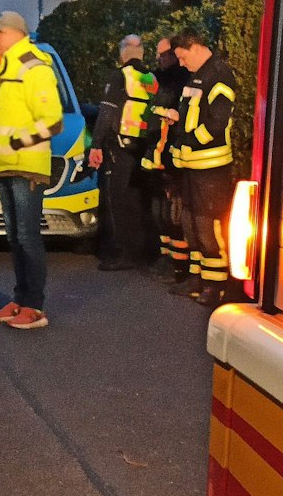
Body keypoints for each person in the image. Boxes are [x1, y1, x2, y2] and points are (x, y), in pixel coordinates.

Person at [0, 10, 62, 330]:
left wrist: (17, 141)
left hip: (26, 166)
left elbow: (53, 120)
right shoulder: (3, 68)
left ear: (15, 33)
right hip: (4, 166)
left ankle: (34, 306)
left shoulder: (33, 67)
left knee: (27, 236)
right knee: (15, 236)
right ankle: (20, 299)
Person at [168, 28, 238, 307]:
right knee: (191, 223)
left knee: (209, 228)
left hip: (211, 167)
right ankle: (199, 279)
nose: (182, 64)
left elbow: (217, 121)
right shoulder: (196, 76)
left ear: (195, 47)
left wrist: (190, 141)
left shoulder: (219, 75)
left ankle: (216, 286)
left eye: (183, 57)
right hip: (191, 166)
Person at [88, 34, 157, 271]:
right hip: (145, 147)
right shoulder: (150, 78)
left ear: (122, 54)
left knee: (119, 201)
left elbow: (107, 113)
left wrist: (96, 144)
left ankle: (123, 253)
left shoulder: (120, 76)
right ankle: (143, 252)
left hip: (121, 146)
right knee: (139, 200)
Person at [147, 36, 191, 285]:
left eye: (163, 55)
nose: (159, 59)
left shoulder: (180, 81)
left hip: (173, 156)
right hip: (157, 155)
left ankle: (179, 265)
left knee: (174, 214)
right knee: (160, 212)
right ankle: (166, 257)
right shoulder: (159, 79)